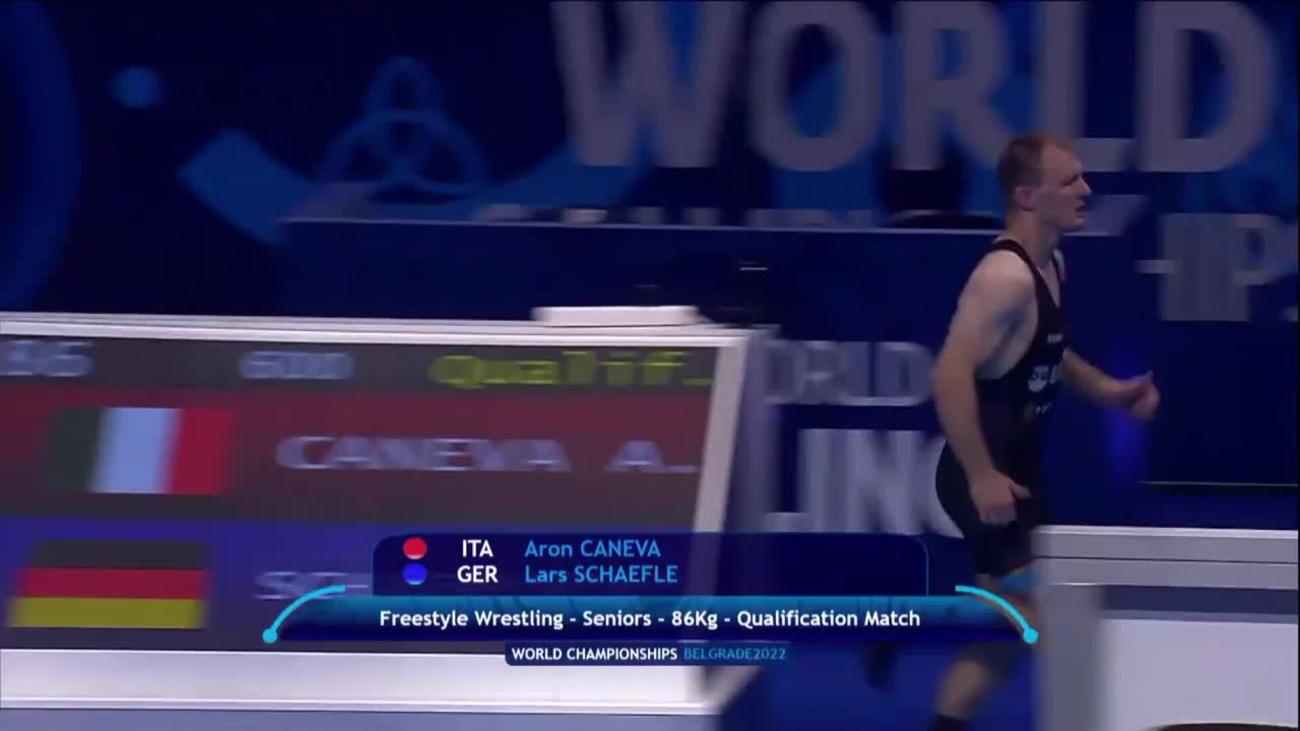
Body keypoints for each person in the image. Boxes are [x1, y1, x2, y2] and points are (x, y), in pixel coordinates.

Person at [926, 133, 1160, 730]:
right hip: (986, 476)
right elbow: (949, 374)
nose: (1086, 190)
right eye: (1069, 181)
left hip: (1021, 470)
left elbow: (1048, 348)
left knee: (1012, 629)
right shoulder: (1003, 278)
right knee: (1043, 620)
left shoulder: (1052, 264)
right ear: (1028, 196)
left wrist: (1108, 391)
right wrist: (982, 476)